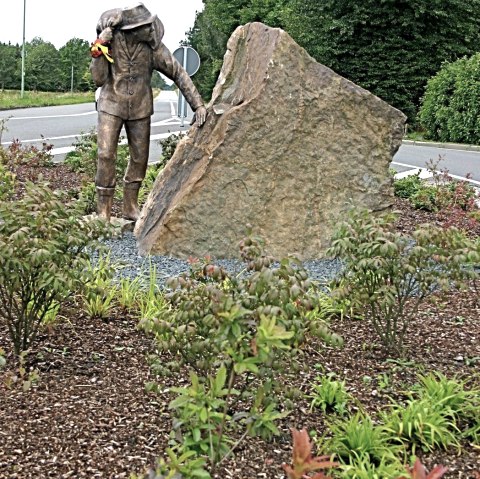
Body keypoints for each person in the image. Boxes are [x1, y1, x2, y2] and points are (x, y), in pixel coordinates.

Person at [90, 3, 207, 221]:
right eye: (146, 26)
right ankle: (103, 211)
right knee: (105, 155)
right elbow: (98, 79)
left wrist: (198, 105)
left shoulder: (154, 49)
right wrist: (101, 45)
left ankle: (130, 206)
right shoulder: (110, 43)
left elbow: (178, 73)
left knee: (140, 158)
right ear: (132, 30)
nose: (151, 29)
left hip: (141, 107)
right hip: (111, 105)